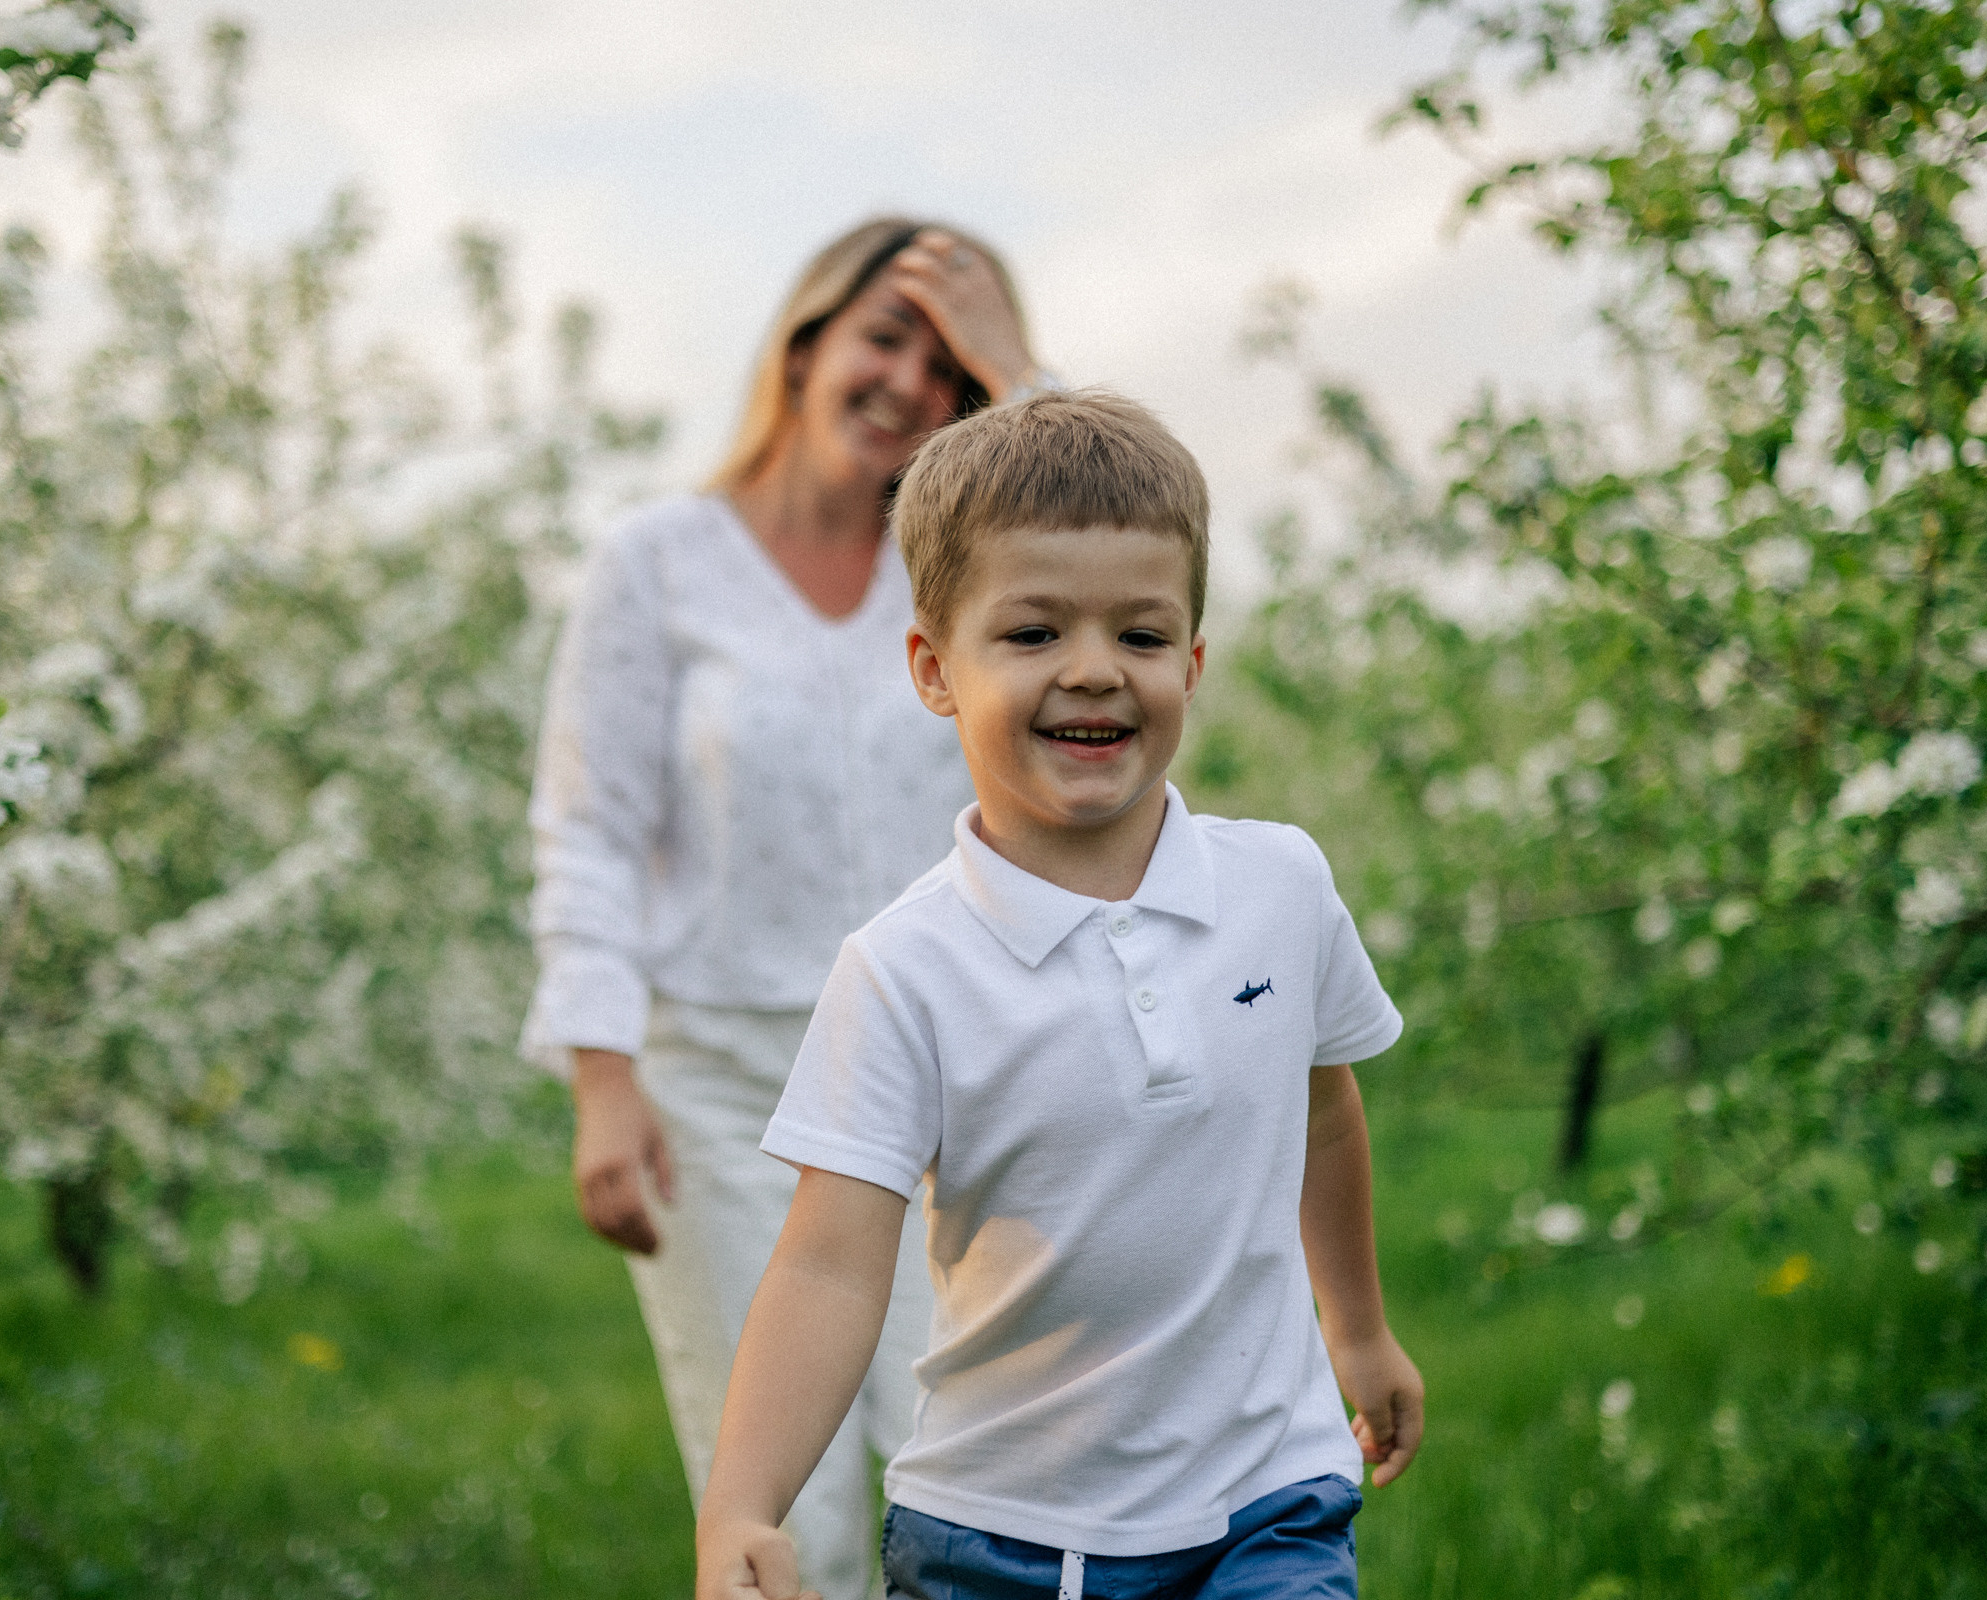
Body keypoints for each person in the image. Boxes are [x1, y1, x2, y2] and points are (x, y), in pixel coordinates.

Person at [693, 392, 1425, 1600]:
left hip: (1269, 1498)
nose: (1094, 671)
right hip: (1003, 1533)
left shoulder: (1281, 887)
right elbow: (826, 1267)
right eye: (1032, 634)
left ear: (1191, 661)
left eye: (1140, 637)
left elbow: (1325, 1111)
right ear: (935, 668)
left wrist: (1356, 1329)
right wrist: (740, 1508)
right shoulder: (905, 970)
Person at [522, 217, 1059, 1600]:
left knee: (977, 1476)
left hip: (954, 1071)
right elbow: (589, 827)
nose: (909, 386)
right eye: (887, 338)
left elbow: (1110, 583)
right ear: (807, 342)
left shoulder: (970, 569)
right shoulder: (657, 563)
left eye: (951, 369)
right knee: (786, 1511)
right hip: (726, 1087)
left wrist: (1027, 375)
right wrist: (601, 1076)